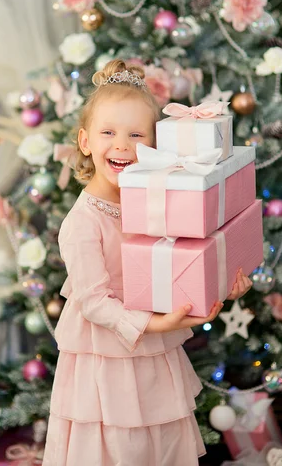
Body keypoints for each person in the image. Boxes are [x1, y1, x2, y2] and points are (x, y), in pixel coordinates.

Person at [43, 59, 252, 466]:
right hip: (105, 360)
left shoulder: (156, 202)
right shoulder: (82, 222)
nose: (121, 145)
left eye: (135, 134)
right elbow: (94, 302)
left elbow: (183, 262)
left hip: (153, 354)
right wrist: (156, 324)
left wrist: (223, 282)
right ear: (85, 141)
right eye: (108, 133)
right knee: (119, 446)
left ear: (153, 145)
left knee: (158, 440)